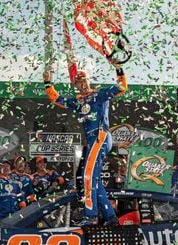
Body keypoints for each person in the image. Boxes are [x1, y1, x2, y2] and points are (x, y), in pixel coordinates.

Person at [43, 61, 127, 226]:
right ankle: (110, 218)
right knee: (93, 179)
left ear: (89, 80)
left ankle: (90, 216)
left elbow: (122, 86)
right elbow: (56, 99)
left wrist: (118, 68)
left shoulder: (100, 94)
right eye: (78, 81)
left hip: (100, 136)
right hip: (92, 141)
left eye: (84, 79)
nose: (81, 83)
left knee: (87, 175)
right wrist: (47, 82)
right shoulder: (78, 102)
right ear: (75, 85)